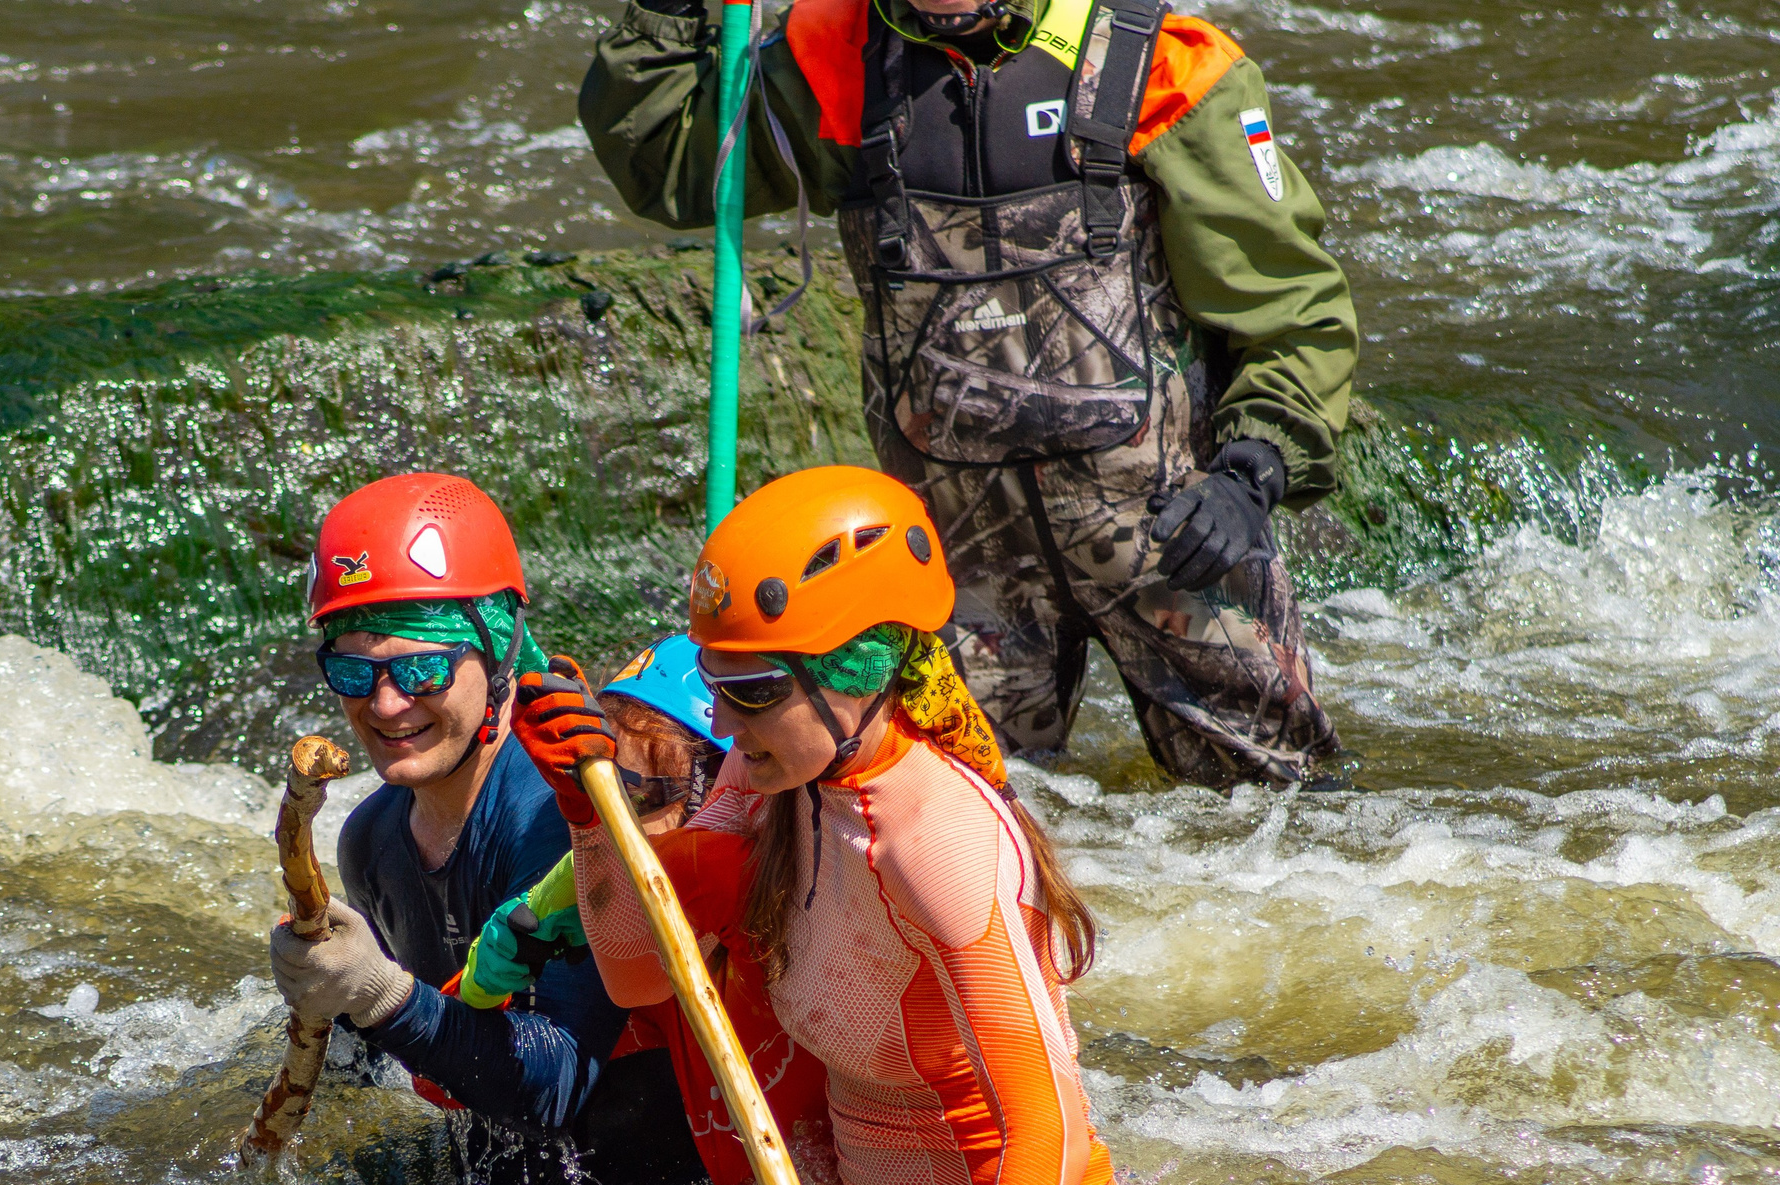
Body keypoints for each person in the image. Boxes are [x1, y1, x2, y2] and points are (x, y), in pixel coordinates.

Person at [578, 0, 1358, 788]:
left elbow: (1289, 303)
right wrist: (666, 13)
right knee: (957, 827)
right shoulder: (833, 56)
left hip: (1174, 540)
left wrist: (1253, 470)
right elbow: (669, 164)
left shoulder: (1164, 64)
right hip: (958, 575)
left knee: (1287, 820)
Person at [518, 467, 1155, 1185]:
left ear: (854, 671)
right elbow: (632, 973)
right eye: (715, 684)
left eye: (752, 694)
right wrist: (590, 818)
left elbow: (1049, 1128)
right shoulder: (771, 780)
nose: (726, 726)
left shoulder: (936, 840)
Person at [265, 472, 708, 1185]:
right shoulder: (370, 841)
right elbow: (424, 1048)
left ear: (499, 648)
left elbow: (562, 1081)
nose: (386, 704)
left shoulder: (567, 817)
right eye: (351, 670)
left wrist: (377, 995)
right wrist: (330, 1010)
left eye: (422, 668)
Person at [457, 635, 828, 1185]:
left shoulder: (797, 903)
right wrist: (482, 991)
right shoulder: (621, 929)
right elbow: (446, 1085)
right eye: (597, 791)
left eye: (638, 795)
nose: (614, 826)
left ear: (727, 794)